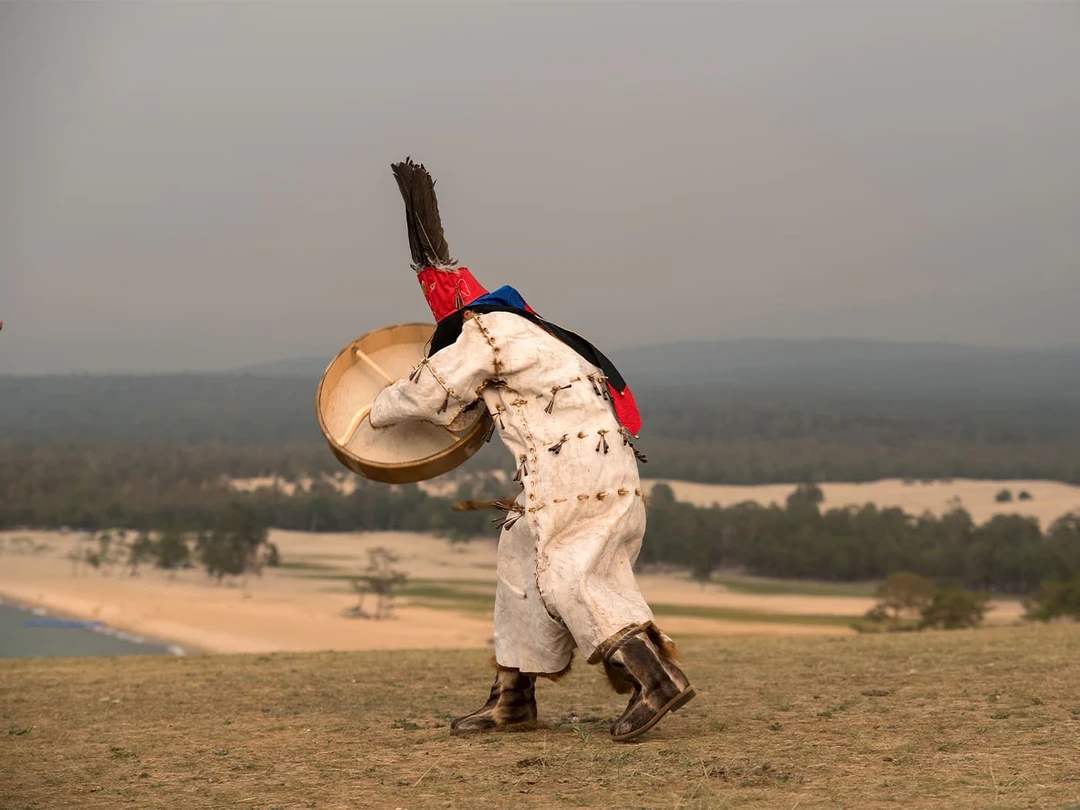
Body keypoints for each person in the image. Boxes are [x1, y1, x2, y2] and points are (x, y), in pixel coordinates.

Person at [370, 159, 694, 742]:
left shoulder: (487, 331)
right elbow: (473, 408)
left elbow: (430, 391)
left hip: (574, 477)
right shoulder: (532, 335)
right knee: (521, 563)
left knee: (568, 575)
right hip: (590, 471)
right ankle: (512, 699)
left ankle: (658, 681)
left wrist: (376, 408)